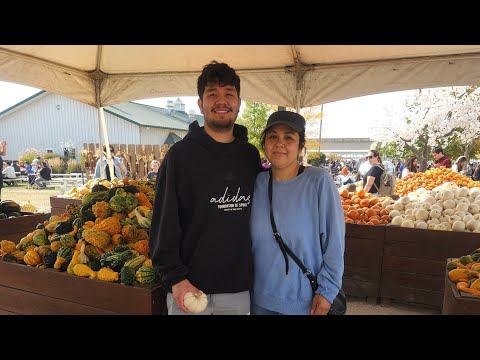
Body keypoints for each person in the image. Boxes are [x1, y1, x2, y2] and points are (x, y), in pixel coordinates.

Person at [149, 61, 261, 315]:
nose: (221, 101)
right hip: (188, 290)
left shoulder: (250, 156)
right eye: (212, 94)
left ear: (239, 102)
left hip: (236, 291)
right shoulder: (180, 156)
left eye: (229, 94)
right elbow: (163, 224)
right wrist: (176, 278)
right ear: (200, 104)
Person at [249, 111, 345, 315]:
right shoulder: (256, 183)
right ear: (264, 143)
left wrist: (328, 291)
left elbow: (335, 243)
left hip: (306, 304)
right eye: (272, 136)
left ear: (300, 146)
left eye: (289, 137)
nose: (279, 143)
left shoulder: (318, 182)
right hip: (259, 301)